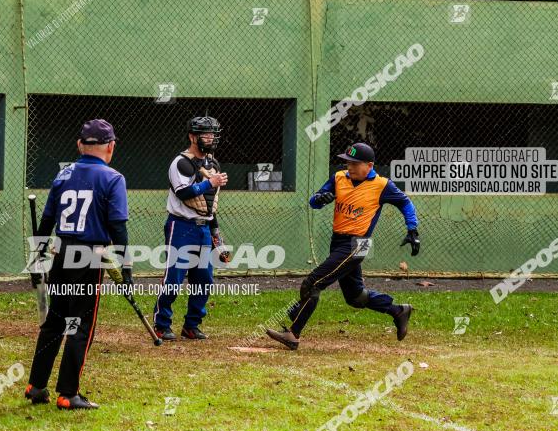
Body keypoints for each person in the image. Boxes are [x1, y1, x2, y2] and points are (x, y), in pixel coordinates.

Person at [266, 142, 420, 350]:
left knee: (312, 283)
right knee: (356, 297)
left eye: (355, 163)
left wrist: (413, 229)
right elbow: (314, 201)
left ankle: (293, 334)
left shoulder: (382, 185)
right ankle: (398, 311)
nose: (350, 166)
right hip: (338, 241)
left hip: (358, 244)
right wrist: (321, 198)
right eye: (348, 162)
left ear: (370, 165)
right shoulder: (339, 178)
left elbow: (405, 202)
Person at [25, 119, 129, 410]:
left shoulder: (63, 175)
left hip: (63, 253)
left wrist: (38, 254)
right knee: (80, 325)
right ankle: (68, 393)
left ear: (80, 145)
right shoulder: (113, 178)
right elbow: (118, 228)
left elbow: (46, 220)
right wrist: (127, 269)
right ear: (110, 147)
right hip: (89, 256)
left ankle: (36, 385)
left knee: (55, 322)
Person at [152, 116, 228, 341]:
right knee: (174, 277)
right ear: (192, 137)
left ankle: (192, 325)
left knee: (204, 279)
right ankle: (161, 323)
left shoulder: (213, 164)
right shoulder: (181, 162)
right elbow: (183, 192)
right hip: (181, 226)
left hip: (204, 228)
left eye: (213, 134)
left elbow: (209, 204)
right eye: (205, 134)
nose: (211, 138)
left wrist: (216, 235)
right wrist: (209, 183)